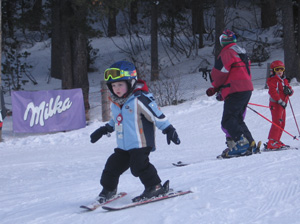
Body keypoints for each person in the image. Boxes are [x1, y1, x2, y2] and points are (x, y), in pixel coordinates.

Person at [90, 61, 180, 203]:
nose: (116, 89)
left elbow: (157, 115)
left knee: (139, 166)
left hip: (140, 143)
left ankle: (155, 187)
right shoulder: (116, 102)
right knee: (112, 166)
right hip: (124, 146)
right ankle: (109, 190)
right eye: (113, 85)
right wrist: (105, 129)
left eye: (120, 84)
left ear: (131, 82)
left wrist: (169, 129)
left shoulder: (140, 99)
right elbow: (116, 120)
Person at [206, 29, 258, 158]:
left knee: (228, 120)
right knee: (237, 119)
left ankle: (242, 144)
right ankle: (250, 144)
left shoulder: (227, 52)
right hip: (246, 88)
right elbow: (240, 72)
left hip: (235, 89)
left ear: (222, 41)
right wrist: (218, 89)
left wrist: (215, 86)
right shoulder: (241, 52)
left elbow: (220, 73)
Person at [266, 60, 293, 149]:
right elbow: (273, 92)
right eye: (277, 69)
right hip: (276, 104)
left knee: (282, 123)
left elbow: (290, 89)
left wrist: (289, 91)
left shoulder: (284, 80)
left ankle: (276, 140)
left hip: (283, 105)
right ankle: (272, 141)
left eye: (282, 69)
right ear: (273, 71)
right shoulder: (273, 80)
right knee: (277, 122)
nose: (280, 71)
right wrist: (280, 101)